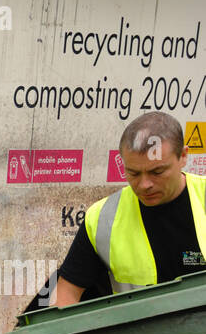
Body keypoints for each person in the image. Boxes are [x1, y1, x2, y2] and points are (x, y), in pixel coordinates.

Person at [55, 111, 206, 306]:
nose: (144, 184)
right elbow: (64, 295)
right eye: (133, 173)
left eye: (157, 172)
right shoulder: (102, 218)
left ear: (183, 156)